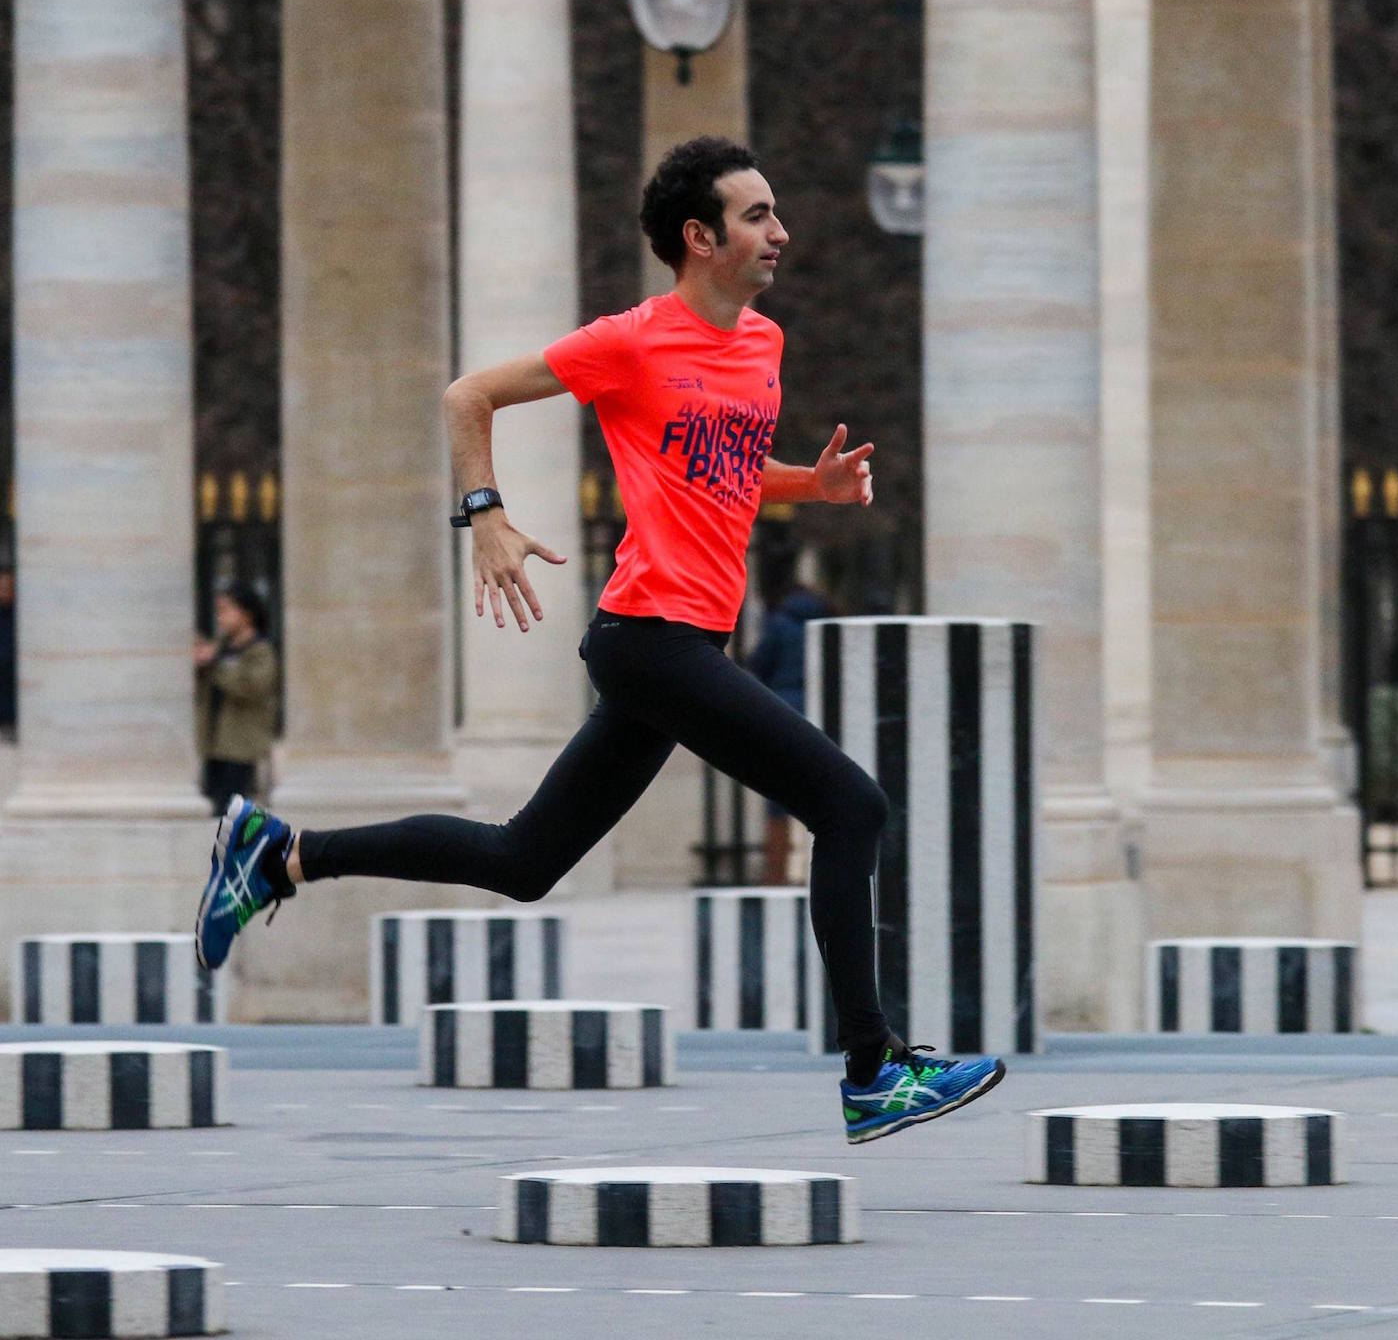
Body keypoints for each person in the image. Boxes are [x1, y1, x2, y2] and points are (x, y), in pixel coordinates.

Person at [195, 136, 1004, 1143]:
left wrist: (811, 484)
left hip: (682, 646)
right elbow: (467, 395)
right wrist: (483, 513)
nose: (780, 232)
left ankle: (279, 855)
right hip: (648, 638)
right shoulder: (629, 339)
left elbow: (723, 467)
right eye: (757, 215)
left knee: (524, 858)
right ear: (697, 237)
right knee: (850, 804)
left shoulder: (761, 344)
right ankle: (873, 1067)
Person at [747, 578, 833, 884]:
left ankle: (777, 872)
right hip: (821, 710)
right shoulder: (828, 625)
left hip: (782, 709)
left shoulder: (780, 624)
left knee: (778, 793)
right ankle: (818, 870)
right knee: (823, 792)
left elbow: (758, 664)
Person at [195, 582, 278, 814]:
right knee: (214, 809)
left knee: (232, 814)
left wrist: (214, 664)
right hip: (214, 745)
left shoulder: (260, 650)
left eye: (225, 610)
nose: (220, 618)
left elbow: (252, 687)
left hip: (241, 749)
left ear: (246, 614)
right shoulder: (221, 648)